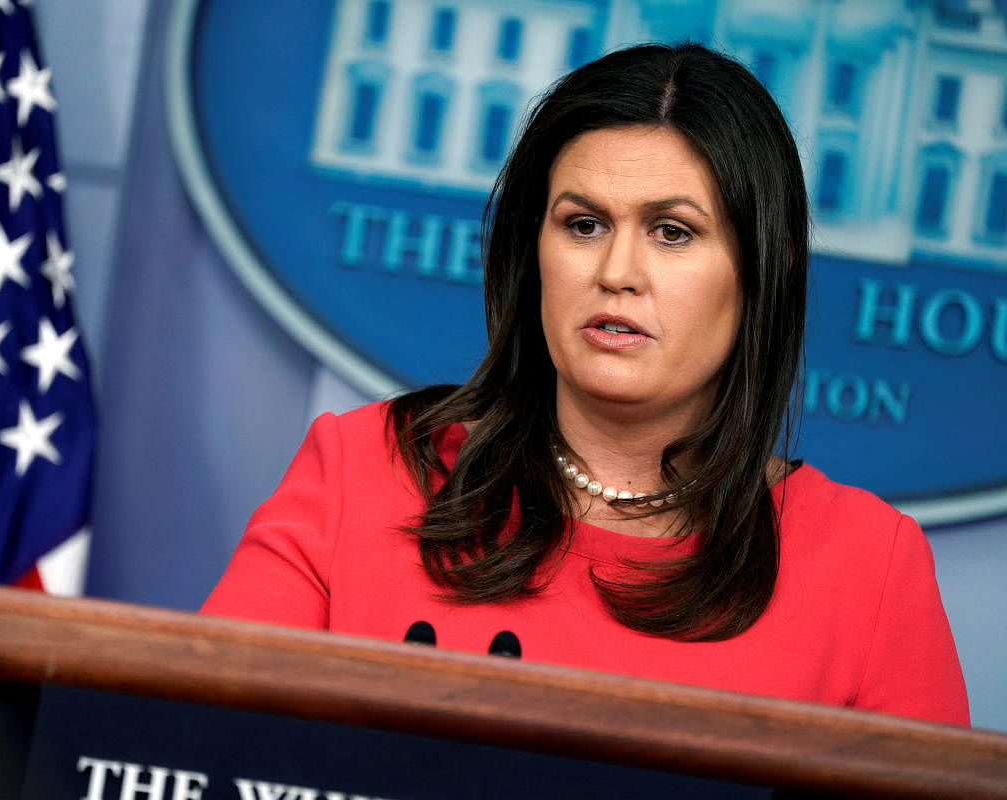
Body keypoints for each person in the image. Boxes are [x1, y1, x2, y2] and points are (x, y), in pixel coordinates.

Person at [201, 43, 968, 726]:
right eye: (583, 224)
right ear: (532, 247)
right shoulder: (365, 467)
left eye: (673, 232)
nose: (616, 274)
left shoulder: (868, 567)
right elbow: (193, 751)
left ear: (767, 269)